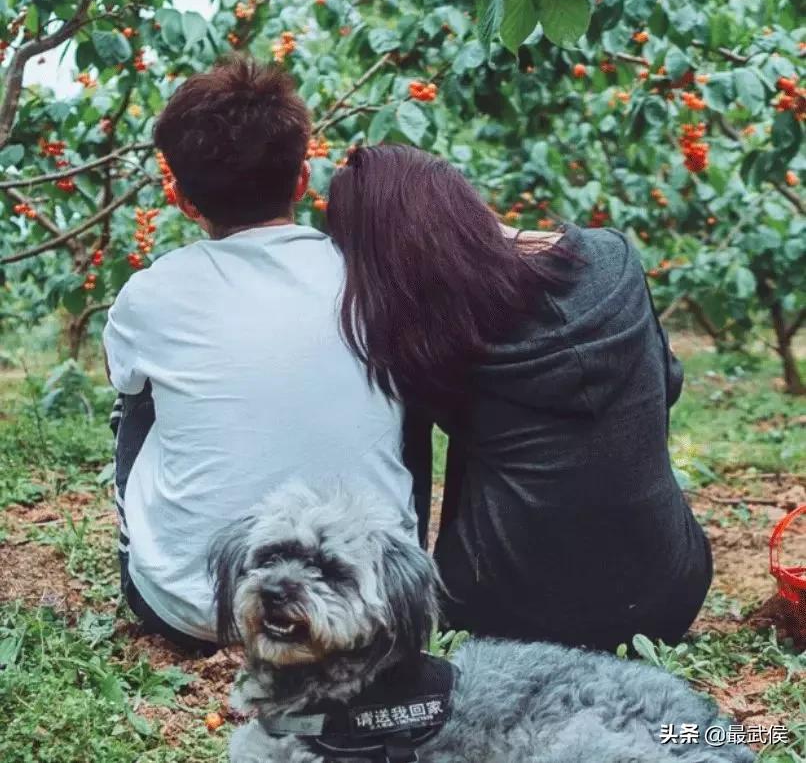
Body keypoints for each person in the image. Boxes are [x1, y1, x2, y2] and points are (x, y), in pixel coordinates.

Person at [326, 144, 712, 653]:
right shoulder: (613, 258)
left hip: (508, 615)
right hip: (669, 594)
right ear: (462, 201)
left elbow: (409, 482)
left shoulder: (428, 337)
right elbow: (668, 384)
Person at [103, 58, 415, 651]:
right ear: (302, 180)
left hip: (191, 607)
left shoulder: (151, 291)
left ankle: (165, 558)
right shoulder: (372, 280)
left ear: (183, 199)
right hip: (364, 600)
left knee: (136, 400)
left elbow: (125, 380)